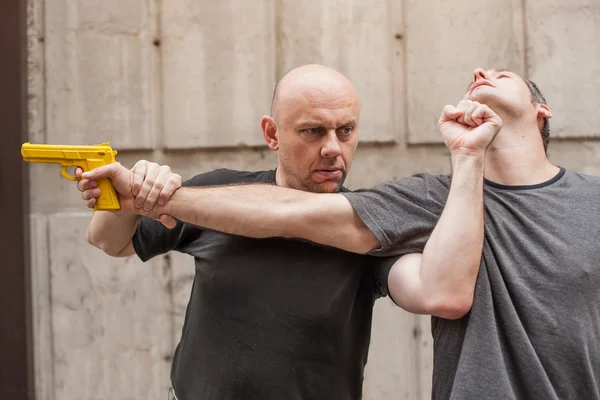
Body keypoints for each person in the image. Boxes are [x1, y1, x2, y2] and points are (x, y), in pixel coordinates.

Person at [86, 67, 600, 399]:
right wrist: (130, 194)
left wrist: (150, 194)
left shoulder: (370, 228)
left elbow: (436, 291)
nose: (333, 147)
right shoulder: (220, 196)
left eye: (346, 131)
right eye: (313, 131)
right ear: (273, 134)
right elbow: (109, 240)